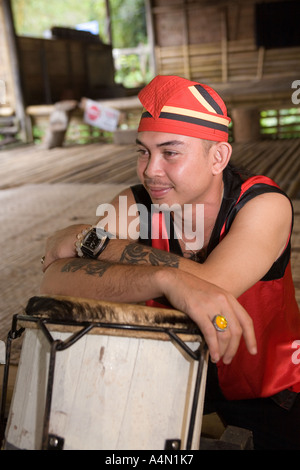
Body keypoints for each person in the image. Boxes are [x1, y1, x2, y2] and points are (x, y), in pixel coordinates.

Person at [40, 75, 300, 450]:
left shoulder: (263, 204)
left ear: (218, 157)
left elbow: (215, 284)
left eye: (170, 152)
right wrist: (165, 280)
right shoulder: (136, 204)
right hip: (166, 378)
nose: (150, 170)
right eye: (143, 151)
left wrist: (96, 244)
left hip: (266, 390)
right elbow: (54, 281)